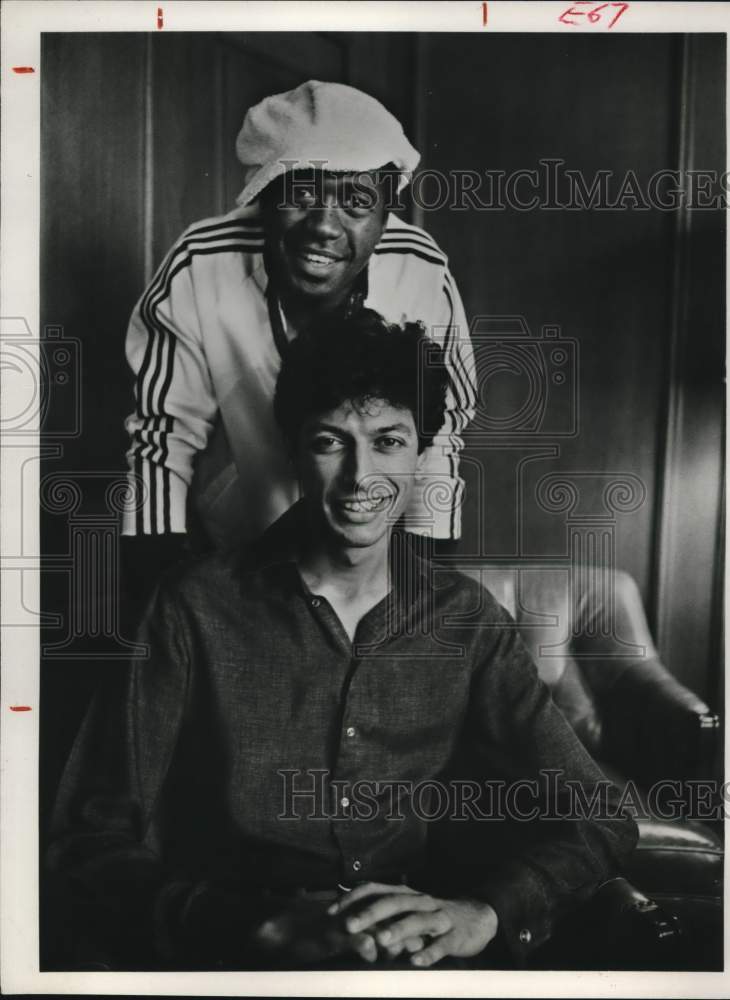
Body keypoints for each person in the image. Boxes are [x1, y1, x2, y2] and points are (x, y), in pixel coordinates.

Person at [46, 309, 637, 971]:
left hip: (416, 965)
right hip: (239, 960)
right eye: (331, 442)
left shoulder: (467, 622)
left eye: (387, 441)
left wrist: (487, 911)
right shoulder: (193, 607)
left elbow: (602, 813)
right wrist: (246, 924)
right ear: (295, 449)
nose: (361, 477)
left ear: (420, 453)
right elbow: (86, 838)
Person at [121, 80, 476, 606]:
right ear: (262, 196)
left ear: (385, 215)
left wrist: (419, 600)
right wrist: (162, 609)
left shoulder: (419, 267)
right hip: (244, 534)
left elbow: (438, 440)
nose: (324, 227)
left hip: (376, 548)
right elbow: (161, 440)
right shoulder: (202, 261)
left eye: (356, 201)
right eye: (302, 193)